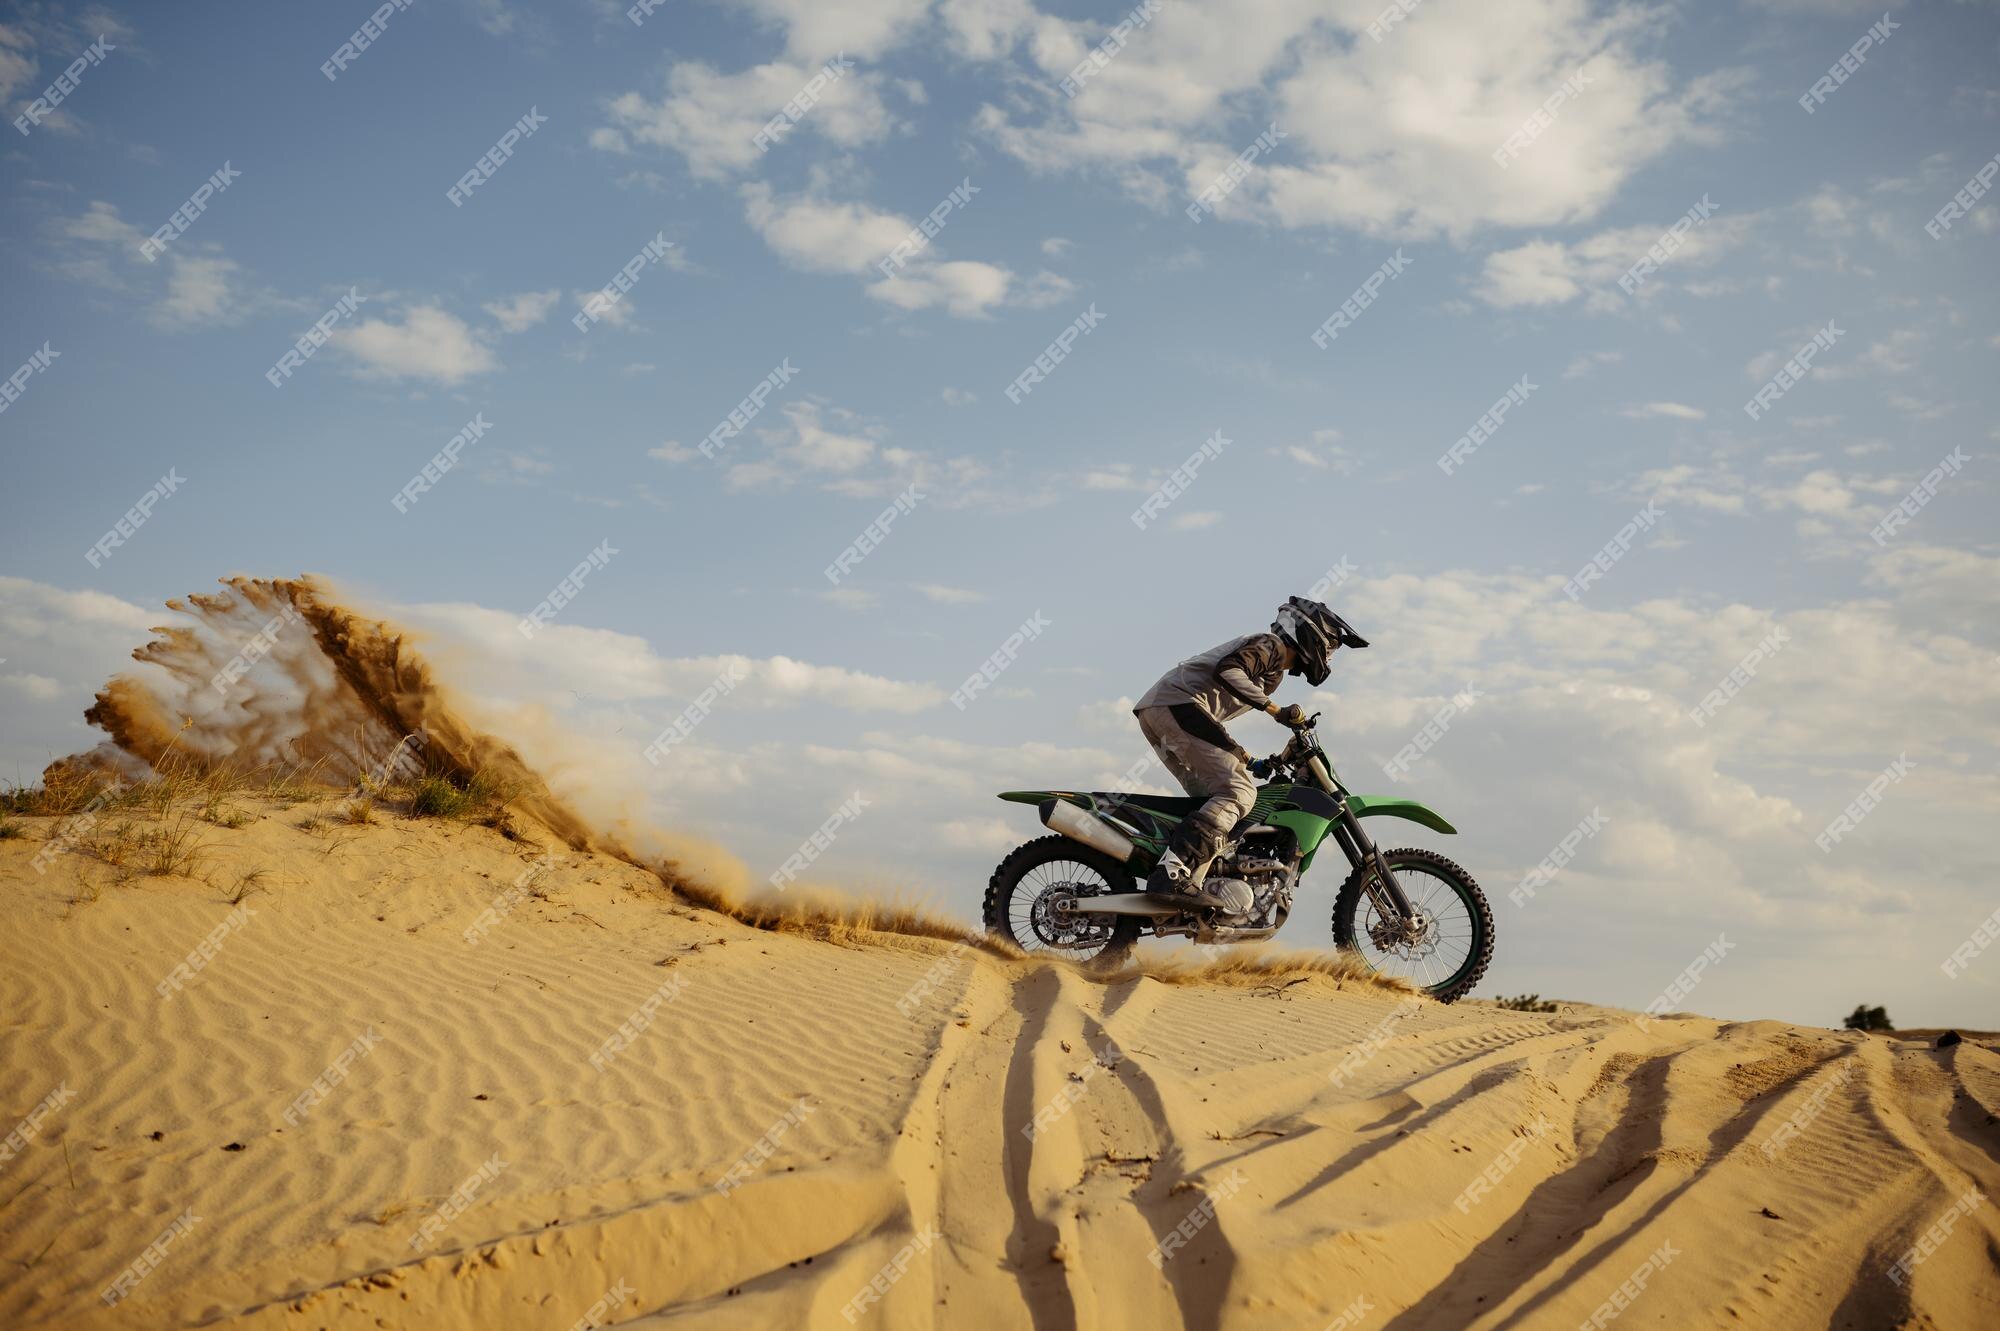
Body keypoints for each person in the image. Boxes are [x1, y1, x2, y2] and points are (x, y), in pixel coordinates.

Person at [1131, 597, 1368, 899]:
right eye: (1331, 645)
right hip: (1177, 705)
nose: (1330, 655)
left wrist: (1248, 759)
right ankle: (1171, 874)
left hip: (1168, 711)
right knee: (1239, 792)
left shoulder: (1273, 674)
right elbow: (1228, 672)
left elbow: (1209, 722)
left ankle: (1193, 883)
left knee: (1212, 801)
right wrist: (1276, 711)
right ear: (1312, 634)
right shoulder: (1270, 645)